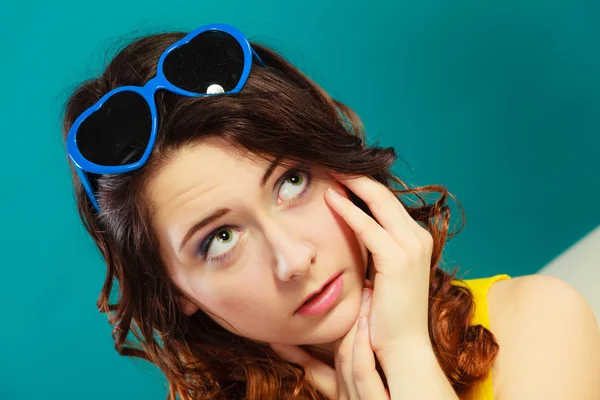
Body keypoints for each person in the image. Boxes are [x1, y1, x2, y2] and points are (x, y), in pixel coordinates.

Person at [61, 23, 600, 400]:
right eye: (220, 238)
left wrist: (407, 355)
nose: (293, 258)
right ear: (176, 291)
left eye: (291, 182)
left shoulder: (535, 325)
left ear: (341, 165)